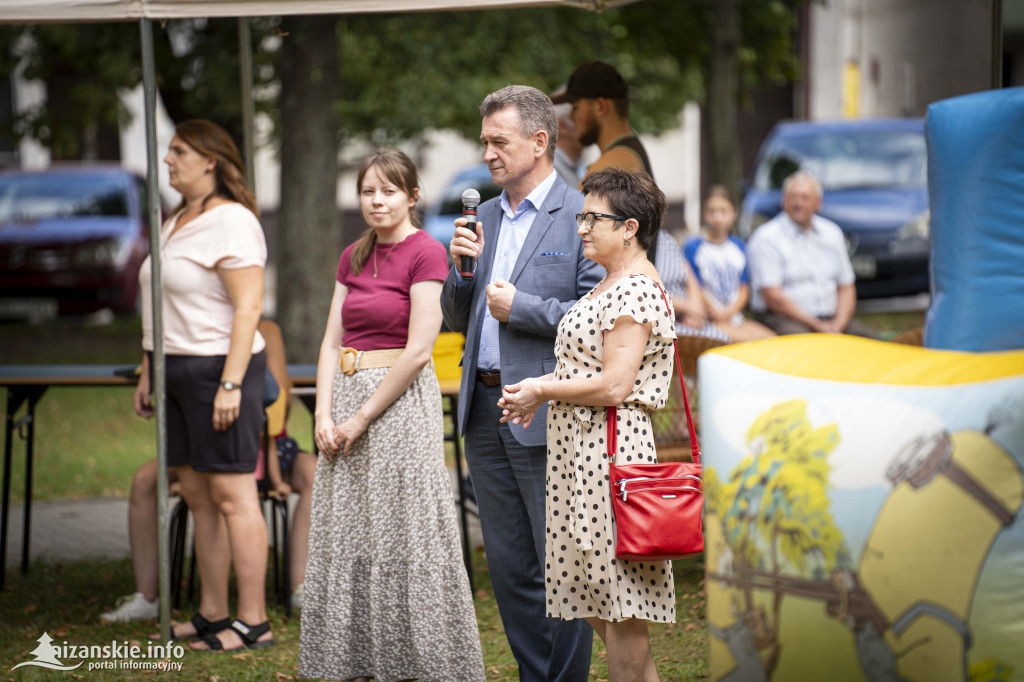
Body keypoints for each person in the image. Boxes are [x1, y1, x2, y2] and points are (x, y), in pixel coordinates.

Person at [299, 148, 484, 681]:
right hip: (346, 396)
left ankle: (418, 663)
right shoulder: (351, 256)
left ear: (412, 196)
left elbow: (419, 350)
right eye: (367, 191)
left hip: (398, 404)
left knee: (403, 529)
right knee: (350, 530)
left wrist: (361, 420)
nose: (376, 201)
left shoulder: (426, 251)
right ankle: (353, 660)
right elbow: (332, 341)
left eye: (388, 190)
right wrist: (324, 413)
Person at [441, 84, 600, 681]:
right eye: (484, 142)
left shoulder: (582, 214)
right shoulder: (478, 217)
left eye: (498, 141)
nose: (487, 153)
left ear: (539, 142)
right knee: (509, 568)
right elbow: (458, 317)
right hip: (482, 409)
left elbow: (596, 317)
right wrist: (461, 275)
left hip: (545, 412)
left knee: (560, 565)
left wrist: (524, 308)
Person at [498, 168, 677, 681]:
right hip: (578, 452)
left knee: (621, 603)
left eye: (593, 218)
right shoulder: (607, 284)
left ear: (629, 227)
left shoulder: (638, 289)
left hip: (613, 450)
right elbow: (585, 369)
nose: (581, 228)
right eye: (581, 216)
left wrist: (542, 389)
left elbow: (616, 385)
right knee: (596, 594)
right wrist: (540, 392)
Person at [135, 119, 273, 650]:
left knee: (233, 493)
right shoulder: (176, 218)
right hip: (174, 369)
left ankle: (253, 621)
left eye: (178, 151)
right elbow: (159, 304)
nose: (168, 160)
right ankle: (213, 612)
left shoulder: (233, 221)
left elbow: (249, 308)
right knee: (194, 491)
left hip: (221, 369)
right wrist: (149, 368)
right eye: (169, 151)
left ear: (210, 160)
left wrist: (232, 384)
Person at [747, 171, 877, 337]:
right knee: (809, 348)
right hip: (782, 319)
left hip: (830, 319)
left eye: (805, 197)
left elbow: (846, 287)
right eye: (793, 197)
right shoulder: (767, 237)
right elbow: (773, 297)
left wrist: (838, 324)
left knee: (873, 342)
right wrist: (816, 325)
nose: (798, 203)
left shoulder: (832, 233)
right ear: (783, 201)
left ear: (818, 203)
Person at [684, 186, 775, 343]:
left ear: (734, 213)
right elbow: (694, 287)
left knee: (771, 339)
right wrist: (714, 312)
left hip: (734, 317)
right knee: (748, 342)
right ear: (704, 214)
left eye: (723, 211)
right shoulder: (693, 247)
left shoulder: (738, 246)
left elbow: (744, 288)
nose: (717, 217)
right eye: (712, 211)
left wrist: (729, 312)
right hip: (708, 319)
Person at [553, 103, 586, 188]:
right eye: (578, 120)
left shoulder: (577, 166)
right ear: (562, 126)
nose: (586, 126)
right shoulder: (551, 169)